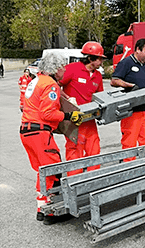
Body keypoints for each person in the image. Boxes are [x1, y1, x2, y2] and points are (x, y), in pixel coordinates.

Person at [20, 53, 85, 224]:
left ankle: (41, 209)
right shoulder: (50, 85)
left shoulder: (36, 80)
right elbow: (47, 113)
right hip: (40, 132)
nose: (65, 70)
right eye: (63, 66)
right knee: (53, 171)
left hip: (27, 131)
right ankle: (52, 212)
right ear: (56, 69)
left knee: (42, 172)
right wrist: (70, 115)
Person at [59, 41, 105, 175]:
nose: (102, 61)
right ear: (90, 58)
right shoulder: (72, 69)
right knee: (74, 151)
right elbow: (56, 85)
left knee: (94, 150)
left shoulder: (98, 76)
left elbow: (99, 96)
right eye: (100, 58)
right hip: (74, 121)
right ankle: (74, 183)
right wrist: (68, 99)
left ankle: (92, 180)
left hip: (90, 120)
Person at [111, 38, 145, 161]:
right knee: (129, 141)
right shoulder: (126, 63)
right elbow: (114, 81)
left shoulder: (144, 66)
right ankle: (128, 166)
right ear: (138, 49)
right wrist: (130, 86)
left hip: (144, 109)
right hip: (131, 110)